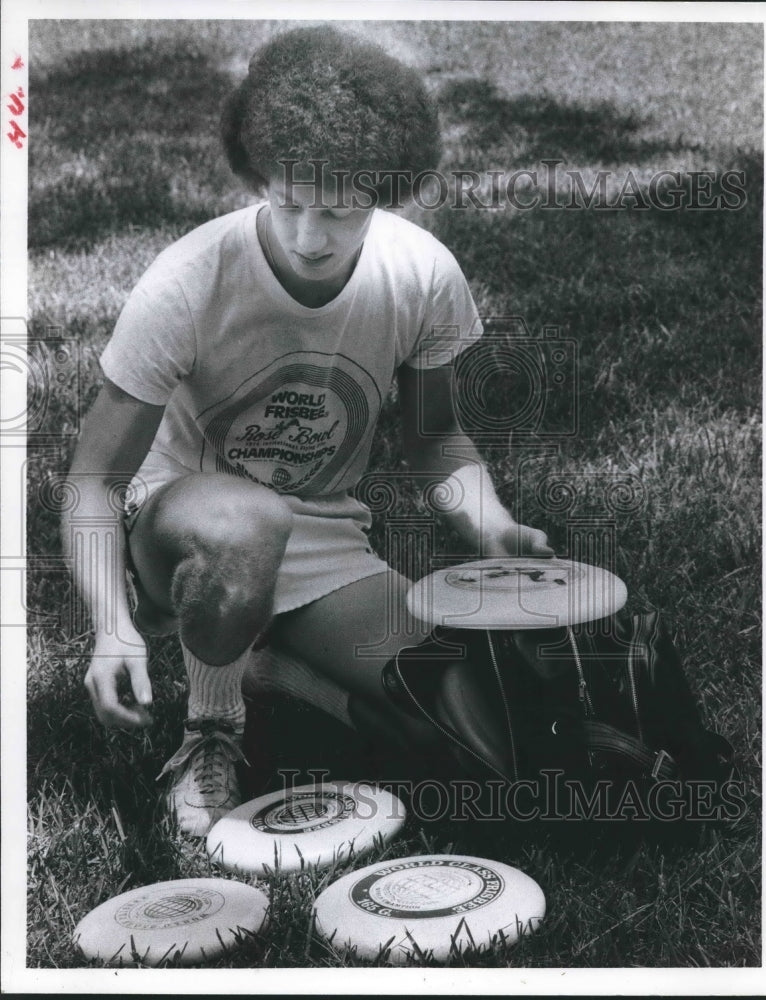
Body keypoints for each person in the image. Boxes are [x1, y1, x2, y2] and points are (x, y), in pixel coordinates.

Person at [62, 25, 552, 838]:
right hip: (180, 533)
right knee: (253, 519)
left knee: (464, 725)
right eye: (288, 201)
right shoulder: (188, 280)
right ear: (259, 176)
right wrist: (112, 626)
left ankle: (276, 668)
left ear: (385, 192)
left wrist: (490, 523)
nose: (309, 236)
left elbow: (436, 443)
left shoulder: (422, 276)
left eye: (340, 210)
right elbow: (90, 480)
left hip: (323, 543)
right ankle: (212, 729)